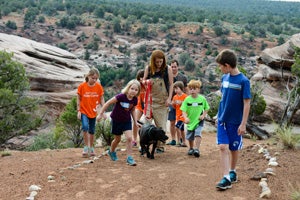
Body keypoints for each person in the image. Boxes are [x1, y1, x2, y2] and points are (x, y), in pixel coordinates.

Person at [215, 49, 251, 190]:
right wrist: (218, 114)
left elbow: (247, 103)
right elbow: (223, 98)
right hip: (222, 120)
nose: (220, 69)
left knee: (233, 148)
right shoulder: (224, 78)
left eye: (221, 66)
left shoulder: (243, 81)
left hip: (235, 122)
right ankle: (226, 178)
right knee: (223, 147)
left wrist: (243, 124)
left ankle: (232, 171)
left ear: (227, 65)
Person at [99, 79, 140, 166]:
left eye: (136, 90)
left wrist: (135, 122)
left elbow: (132, 110)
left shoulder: (135, 100)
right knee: (117, 139)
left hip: (126, 121)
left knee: (129, 138)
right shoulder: (121, 96)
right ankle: (112, 151)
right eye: (132, 88)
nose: (134, 91)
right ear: (128, 88)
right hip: (116, 120)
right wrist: (101, 114)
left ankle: (129, 158)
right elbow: (108, 103)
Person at [142, 50, 173, 153]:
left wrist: (169, 98)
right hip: (150, 101)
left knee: (161, 126)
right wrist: (146, 82)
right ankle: (144, 144)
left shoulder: (167, 69)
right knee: (146, 125)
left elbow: (171, 84)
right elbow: (143, 81)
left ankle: (160, 146)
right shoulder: (149, 69)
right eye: (157, 62)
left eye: (161, 61)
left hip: (162, 101)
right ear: (153, 61)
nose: (159, 64)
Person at [77, 67, 105, 157]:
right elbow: (78, 98)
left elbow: (102, 99)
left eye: (96, 78)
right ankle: (86, 146)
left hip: (93, 111)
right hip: (84, 110)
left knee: (92, 130)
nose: (94, 80)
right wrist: (78, 111)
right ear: (88, 76)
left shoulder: (99, 87)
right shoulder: (82, 86)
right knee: (85, 127)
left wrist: (103, 111)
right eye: (93, 78)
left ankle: (91, 147)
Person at [181, 79, 210, 158]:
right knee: (190, 136)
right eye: (190, 89)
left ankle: (197, 149)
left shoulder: (202, 99)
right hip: (190, 121)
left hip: (199, 120)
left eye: (194, 88)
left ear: (198, 89)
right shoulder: (187, 99)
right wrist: (185, 118)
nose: (192, 90)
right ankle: (191, 148)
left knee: (197, 133)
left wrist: (203, 115)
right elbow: (183, 110)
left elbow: (207, 108)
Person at [167, 59, 188, 146]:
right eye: (172, 67)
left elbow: (186, 89)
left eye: (175, 66)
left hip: (182, 104)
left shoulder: (183, 77)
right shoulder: (168, 77)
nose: (173, 68)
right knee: (172, 121)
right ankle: (173, 139)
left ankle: (182, 140)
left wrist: (186, 101)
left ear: (178, 67)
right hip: (172, 102)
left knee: (180, 123)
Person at [171, 81, 188, 147]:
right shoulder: (175, 97)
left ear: (181, 88)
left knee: (177, 127)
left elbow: (187, 105)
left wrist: (182, 102)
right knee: (182, 129)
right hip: (177, 115)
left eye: (177, 88)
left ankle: (178, 141)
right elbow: (174, 106)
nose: (176, 90)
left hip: (183, 116)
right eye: (175, 89)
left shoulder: (185, 96)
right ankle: (184, 142)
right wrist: (173, 104)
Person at [132, 69, 146, 147]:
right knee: (135, 121)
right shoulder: (137, 85)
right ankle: (134, 139)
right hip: (139, 106)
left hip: (147, 105)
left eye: (143, 77)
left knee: (147, 122)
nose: (141, 79)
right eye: (140, 77)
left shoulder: (147, 84)